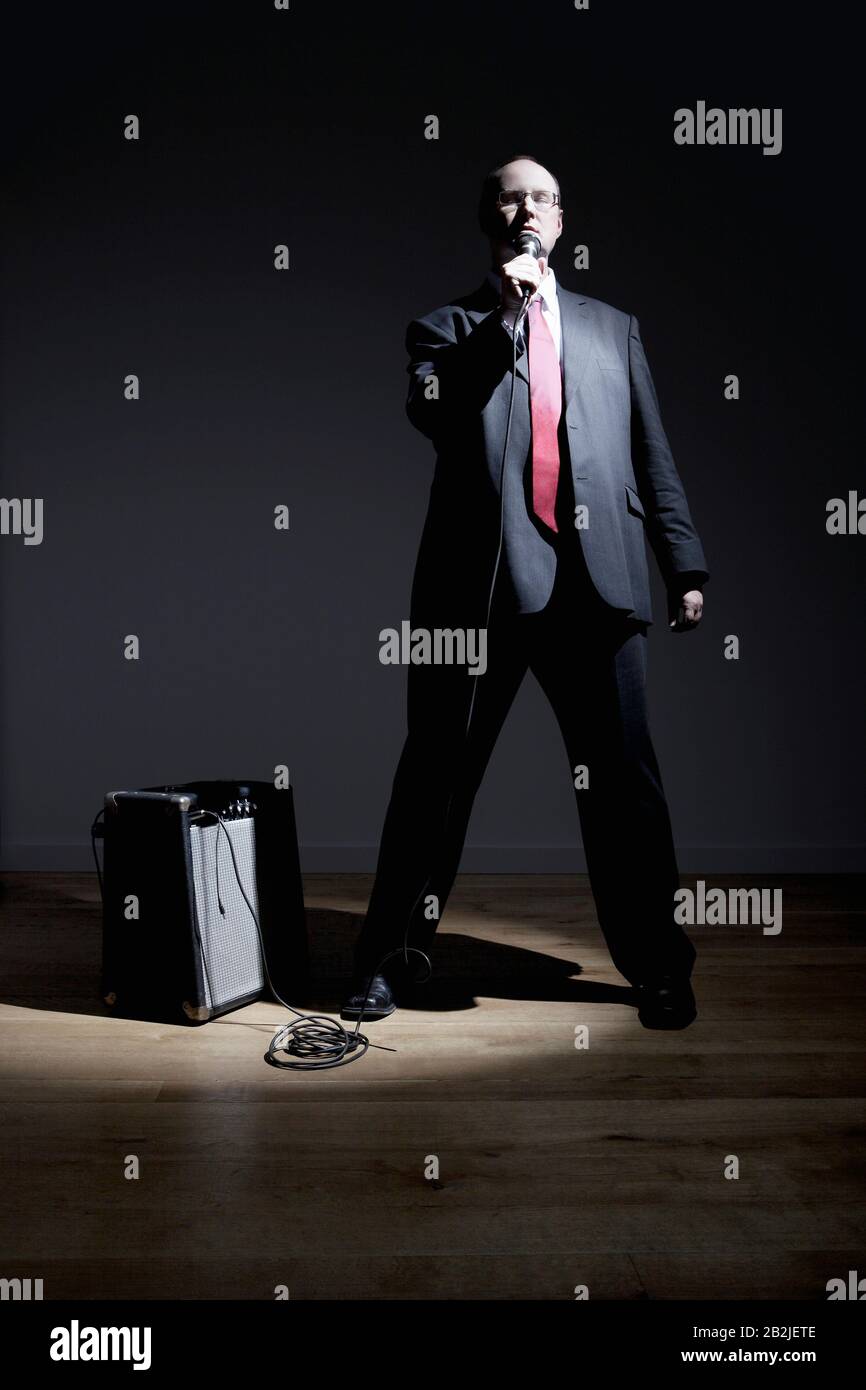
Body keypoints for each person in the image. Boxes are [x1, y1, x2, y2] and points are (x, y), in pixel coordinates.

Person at [341, 153, 709, 1030]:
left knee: (627, 789)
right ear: (490, 219)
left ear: (562, 220)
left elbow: (651, 454)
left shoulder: (612, 328)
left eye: (543, 197)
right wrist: (501, 317)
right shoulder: (444, 328)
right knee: (436, 777)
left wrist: (684, 563)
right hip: (481, 590)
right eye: (512, 197)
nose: (529, 209)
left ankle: (659, 967)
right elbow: (434, 409)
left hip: (601, 583)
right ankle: (386, 961)